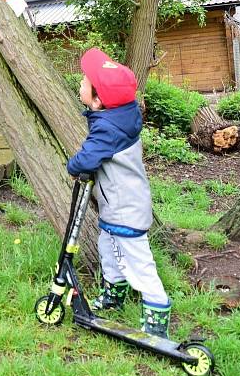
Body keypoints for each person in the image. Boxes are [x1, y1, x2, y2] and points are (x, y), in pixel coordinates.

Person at [65, 48, 172, 338]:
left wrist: (71, 165)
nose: (80, 84)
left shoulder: (108, 129)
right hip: (118, 208)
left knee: (138, 263)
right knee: (108, 252)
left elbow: (86, 160)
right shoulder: (120, 115)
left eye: (85, 83)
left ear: (99, 101)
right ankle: (114, 295)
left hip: (126, 211)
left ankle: (157, 315)